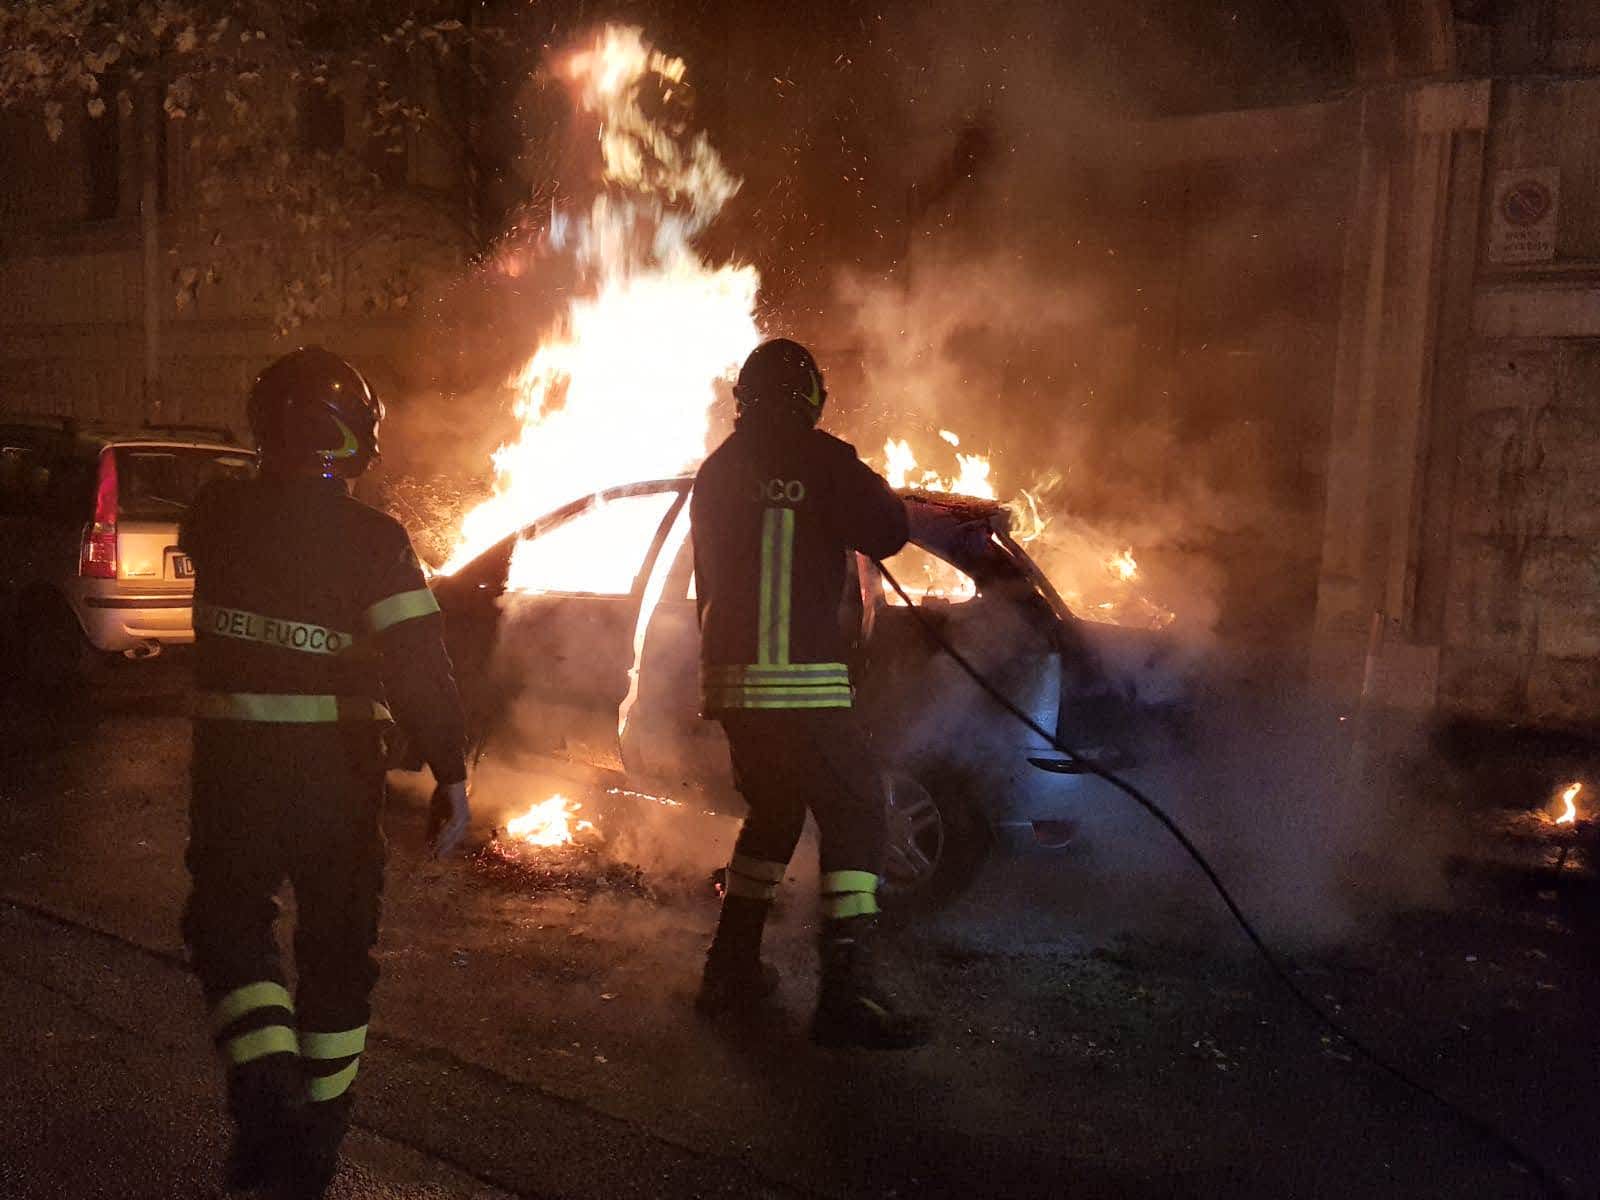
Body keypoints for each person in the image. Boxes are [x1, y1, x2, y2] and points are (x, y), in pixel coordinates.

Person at [180, 347, 472, 1196]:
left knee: (226, 924)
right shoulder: (375, 541)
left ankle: (265, 1085)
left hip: (232, 773)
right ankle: (313, 1140)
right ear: (352, 439)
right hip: (336, 783)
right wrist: (451, 773)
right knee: (339, 956)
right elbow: (422, 665)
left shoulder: (216, 514)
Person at [690, 337, 929, 1049]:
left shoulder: (718, 471)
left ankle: (728, 971)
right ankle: (846, 994)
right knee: (857, 812)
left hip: (734, 689)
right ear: (811, 399)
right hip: (804, 685)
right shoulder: (824, 461)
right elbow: (890, 530)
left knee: (773, 815)